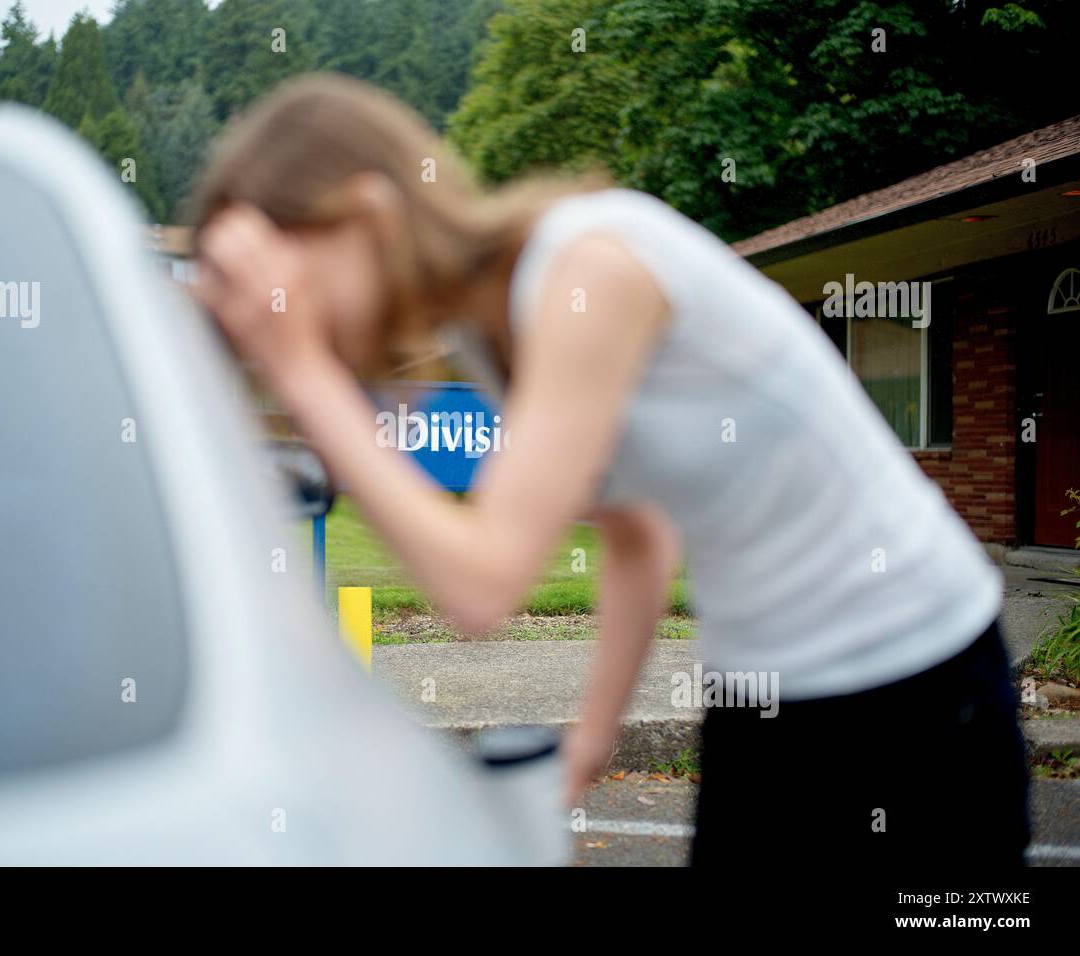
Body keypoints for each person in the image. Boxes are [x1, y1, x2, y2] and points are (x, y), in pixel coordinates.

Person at [190, 73, 1029, 866]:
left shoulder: (589, 269)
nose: (289, 315)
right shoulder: (492, 333)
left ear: (370, 212)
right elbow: (638, 534)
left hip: (918, 679)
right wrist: (591, 740)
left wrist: (303, 371)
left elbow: (483, 587)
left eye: (289, 280)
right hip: (762, 689)